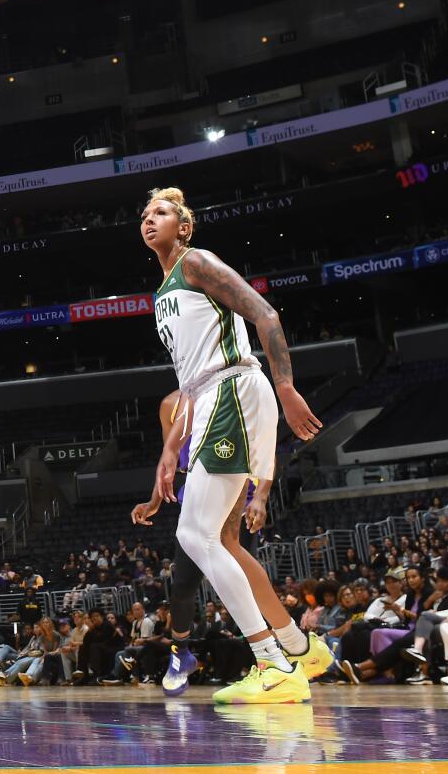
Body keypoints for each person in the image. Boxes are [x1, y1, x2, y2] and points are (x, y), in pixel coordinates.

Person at [142, 186, 330, 705]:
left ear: (184, 227)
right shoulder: (162, 294)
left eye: (161, 212)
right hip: (210, 400)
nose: (148, 219)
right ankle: (299, 648)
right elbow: (190, 381)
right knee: (216, 541)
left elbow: (265, 315)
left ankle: (273, 664)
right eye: (145, 214)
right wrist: (169, 450)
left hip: (236, 389)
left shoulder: (197, 263)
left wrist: (287, 387)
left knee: (197, 536)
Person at [129, 386, 326, 697]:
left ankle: (281, 656)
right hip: (198, 496)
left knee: (241, 578)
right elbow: (170, 457)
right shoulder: (170, 404)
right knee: (182, 587)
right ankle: (183, 653)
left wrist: (260, 496)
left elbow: (264, 448)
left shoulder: (233, 389)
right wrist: (155, 499)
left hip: (237, 491)